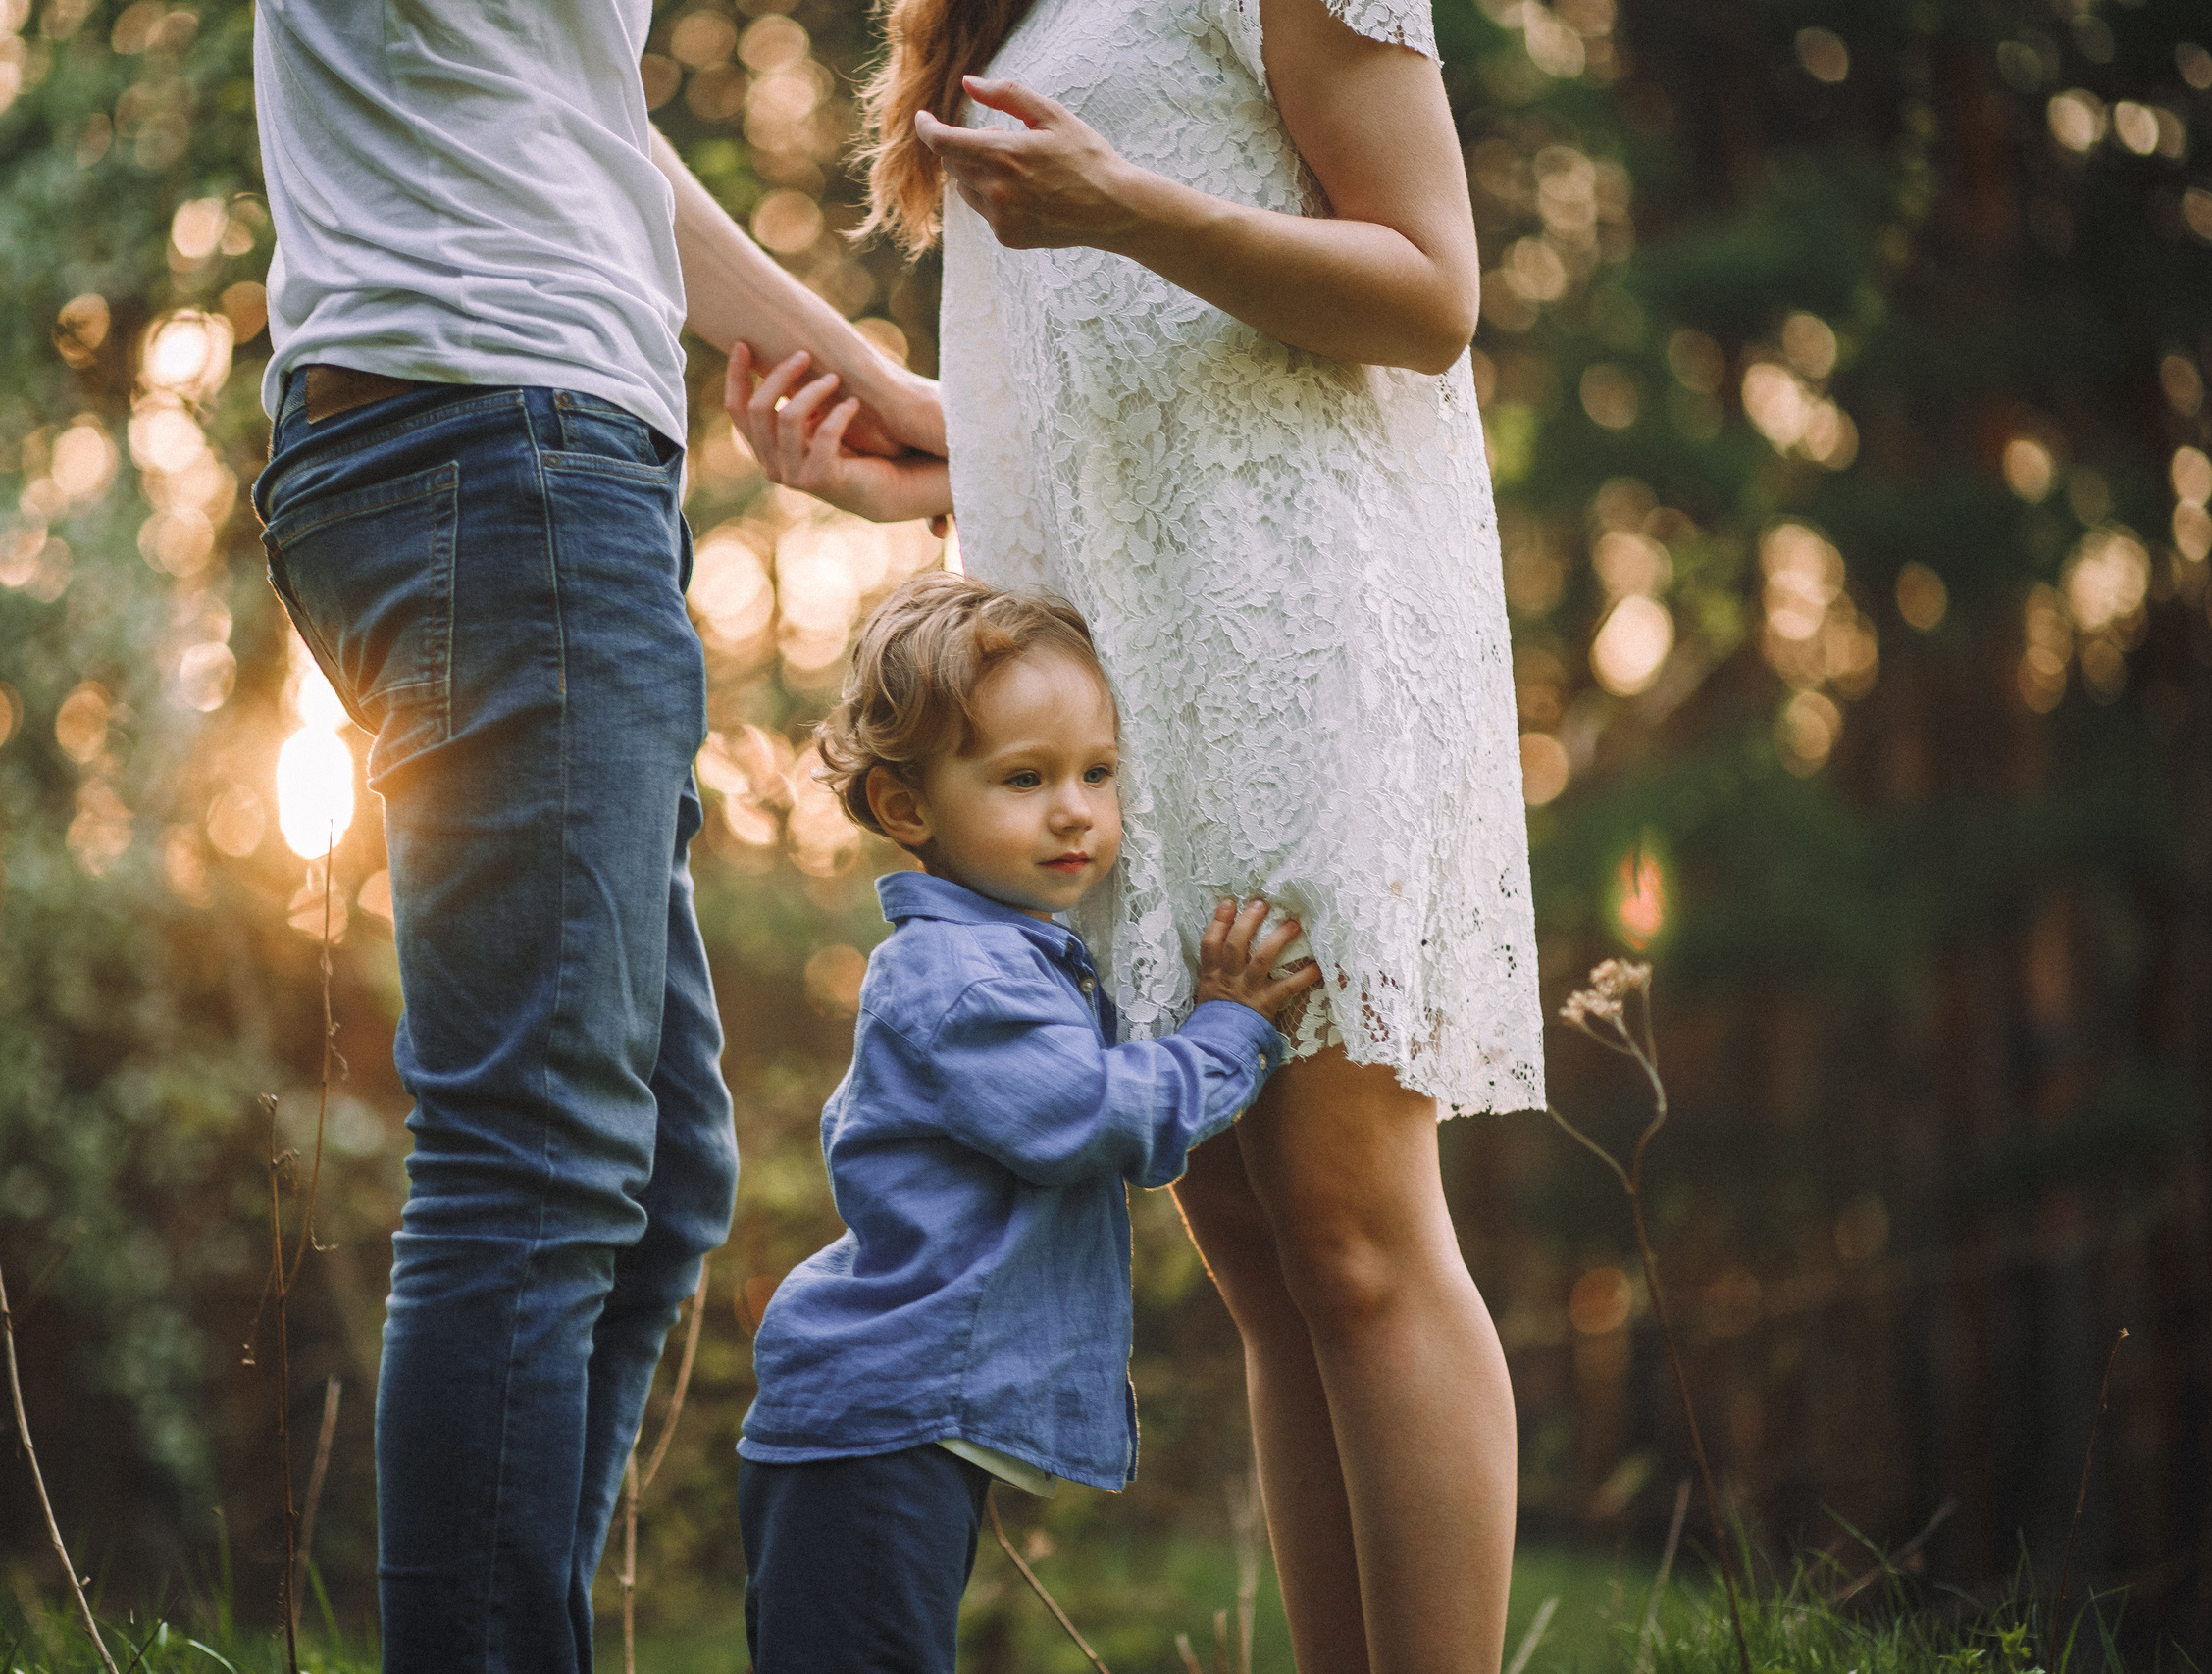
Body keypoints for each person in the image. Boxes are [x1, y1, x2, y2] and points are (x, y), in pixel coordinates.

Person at [723, 1, 1547, 1669]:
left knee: (1352, 1227)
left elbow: (1433, 288)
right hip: (1114, 689)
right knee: (1253, 1244)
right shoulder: (1002, 9)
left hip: (1283, 639)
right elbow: (1110, 355)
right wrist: (932, 450)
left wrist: (1124, 205)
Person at [246, 3, 945, 1669]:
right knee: (538, 1161)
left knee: (653, 1170)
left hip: (489, 446)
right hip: (498, 443)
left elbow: (584, 131)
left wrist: (867, 374)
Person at [736, 573, 1321, 1674]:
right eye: (1024, 778)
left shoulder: (1015, 956)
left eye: (1097, 773)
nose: (1076, 811)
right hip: (876, 1424)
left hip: (892, 1421)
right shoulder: (963, 975)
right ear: (908, 809)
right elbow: (1088, 1118)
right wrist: (1226, 1031)